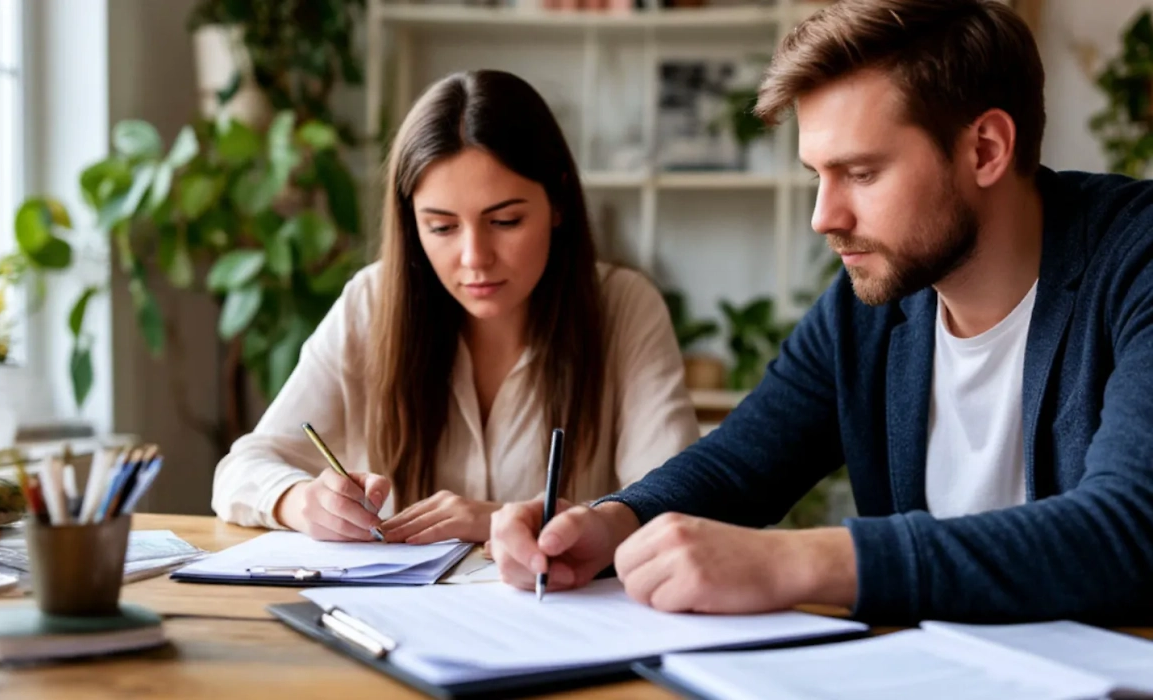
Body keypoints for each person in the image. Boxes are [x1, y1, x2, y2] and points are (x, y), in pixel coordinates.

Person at [490, 0, 1153, 625]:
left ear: (985, 149)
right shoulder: (875, 302)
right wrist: (611, 522)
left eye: (861, 173)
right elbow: (739, 465)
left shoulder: (1136, 263)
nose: (823, 218)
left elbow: (1128, 529)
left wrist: (804, 559)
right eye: (817, 175)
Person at [211, 70, 699, 545]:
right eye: (442, 228)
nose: (474, 258)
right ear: (412, 225)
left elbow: (674, 507)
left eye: (505, 221)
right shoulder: (371, 302)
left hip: (565, 616)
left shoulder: (624, 308)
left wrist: (496, 521)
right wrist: (303, 501)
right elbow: (241, 470)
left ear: (558, 203)